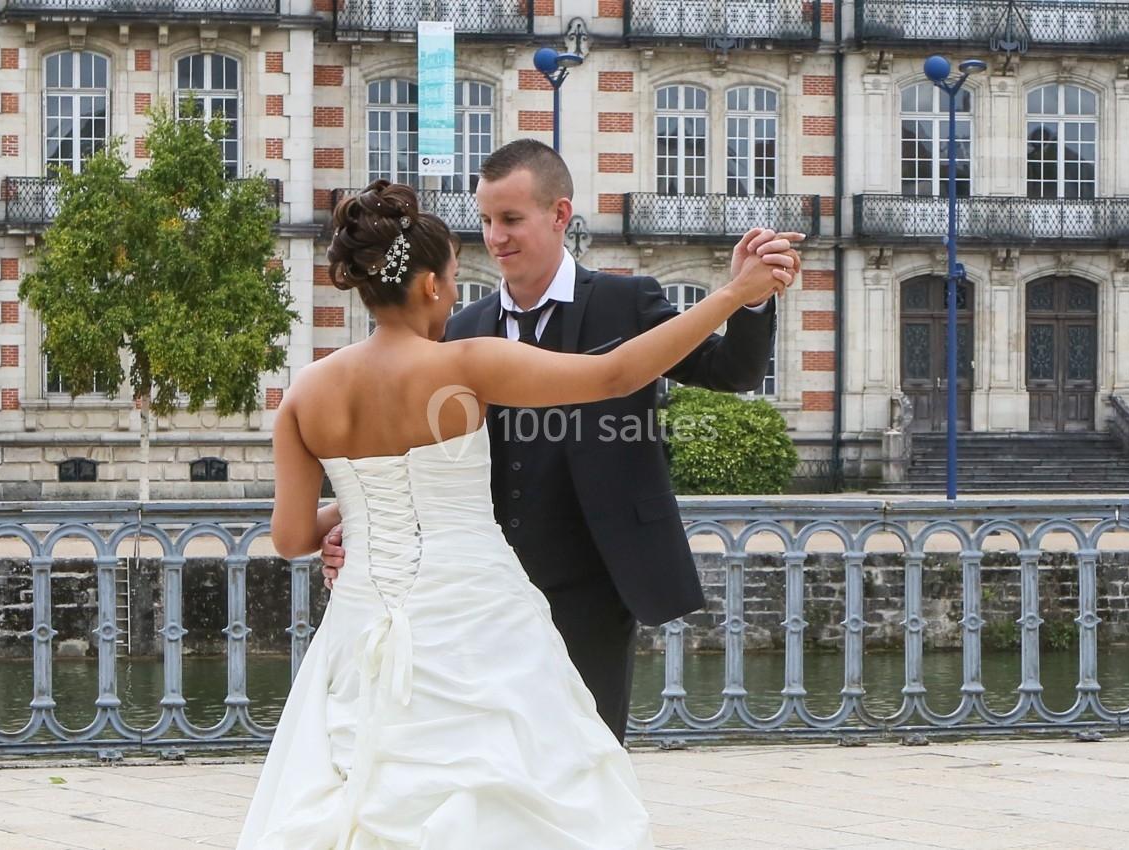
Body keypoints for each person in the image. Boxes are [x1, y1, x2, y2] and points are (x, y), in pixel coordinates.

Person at [235, 180, 796, 848]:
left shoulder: (305, 393)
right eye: (452, 278)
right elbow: (615, 375)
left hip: (362, 617)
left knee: (362, 779)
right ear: (431, 286)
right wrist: (732, 294)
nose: (455, 294)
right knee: (519, 781)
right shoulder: (465, 363)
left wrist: (359, 507)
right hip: (476, 610)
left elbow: (291, 536)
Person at [321, 139, 801, 742]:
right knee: (494, 751)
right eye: (487, 221)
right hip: (484, 584)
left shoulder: (627, 302)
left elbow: (732, 371)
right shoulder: (461, 330)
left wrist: (749, 300)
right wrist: (356, 526)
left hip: (599, 577)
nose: (495, 237)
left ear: (560, 215)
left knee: (589, 749)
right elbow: (420, 458)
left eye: (510, 219)